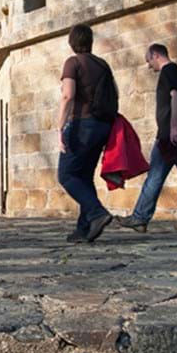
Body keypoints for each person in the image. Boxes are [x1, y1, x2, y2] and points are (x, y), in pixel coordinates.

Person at [114, 44, 177, 235]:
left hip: (171, 136)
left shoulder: (168, 72)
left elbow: (176, 96)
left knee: (155, 177)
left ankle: (140, 218)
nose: (149, 66)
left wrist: (174, 127)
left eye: (149, 61)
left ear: (155, 55)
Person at [57, 24, 118, 244]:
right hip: (103, 125)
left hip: (81, 124)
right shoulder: (102, 64)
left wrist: (60, 128)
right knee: (83, 176)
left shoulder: (72, 63)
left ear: (72, 42)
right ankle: (84, 229)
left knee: (66, 175)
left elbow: (68, 95)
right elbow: (114, 92)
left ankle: (97, 212)